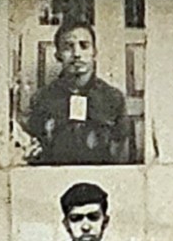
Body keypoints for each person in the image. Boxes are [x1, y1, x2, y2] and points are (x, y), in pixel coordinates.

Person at [21, 14, 137, 165]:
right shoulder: (42, 99)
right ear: (57, 55)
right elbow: (34, 151)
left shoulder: (113, 98)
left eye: (84, 45)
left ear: (94, 52)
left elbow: (123, 155)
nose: (77, 54)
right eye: (68, 47)